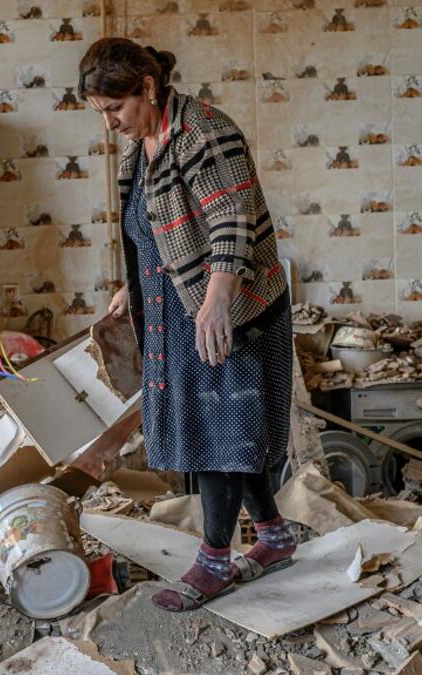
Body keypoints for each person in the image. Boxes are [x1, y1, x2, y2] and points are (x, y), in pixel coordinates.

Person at [78, 38, 295, 612]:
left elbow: (231, 219)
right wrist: (136, 286)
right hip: (176, 305)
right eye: (102, 114)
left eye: (114, 109)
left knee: (222, 434)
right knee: (218, 431)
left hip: (230, 306)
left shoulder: (204, 132)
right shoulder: (143, 142)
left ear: (148, 88)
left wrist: (219, 299)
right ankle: (273, 537)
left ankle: (215, 562)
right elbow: (156, 224)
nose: (110, 124)